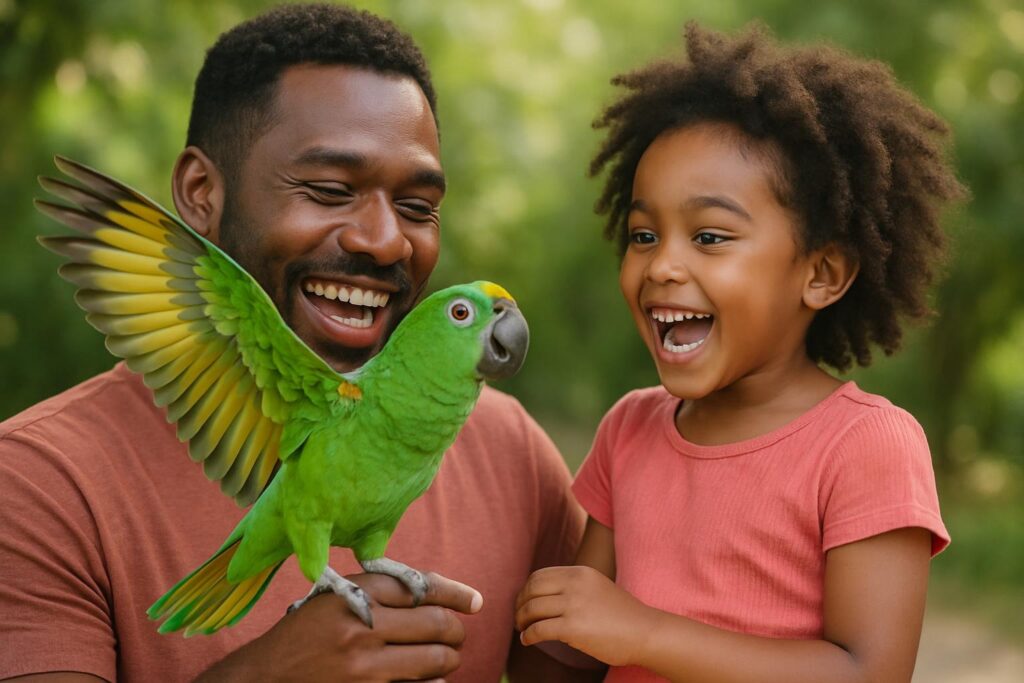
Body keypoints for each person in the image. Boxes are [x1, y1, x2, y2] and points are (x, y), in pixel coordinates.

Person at [0, 4, 597, 682]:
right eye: (329, 190)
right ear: (200, 193)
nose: (384, 240)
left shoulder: (510, 451)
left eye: (418, 206)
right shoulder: (36, 484)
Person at [515, 22, 964, 683]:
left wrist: (645, 631)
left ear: (822, 274)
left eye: (711, 236)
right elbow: (577, 642)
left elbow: (869, 671)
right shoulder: (629, 430)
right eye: (643, 234)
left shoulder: (867, 445)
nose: (662, 264)